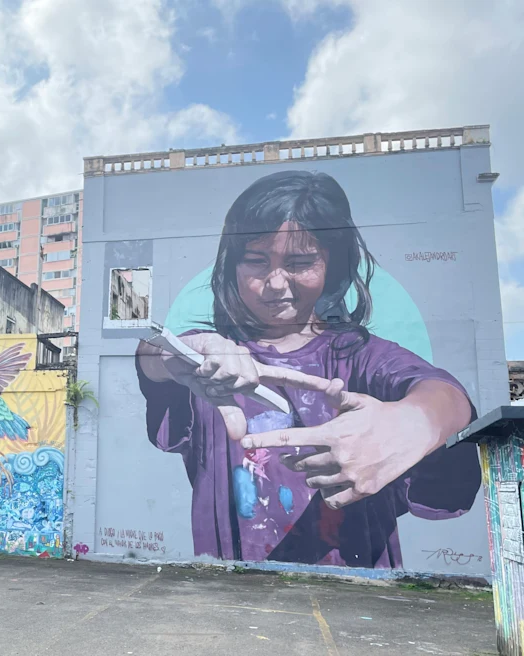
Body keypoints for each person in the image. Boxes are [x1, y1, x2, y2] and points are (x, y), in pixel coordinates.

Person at [135, 170, 481, 568]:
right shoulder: (212, 362)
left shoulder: (361, 356)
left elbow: (448, 397)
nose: (276, 284)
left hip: (355, 597)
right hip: (227, 594)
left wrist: (412, 423)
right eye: (255, 261)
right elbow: (151, 359)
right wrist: (180, 354)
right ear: (232, 265)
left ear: (332, 264)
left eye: (300, 263)